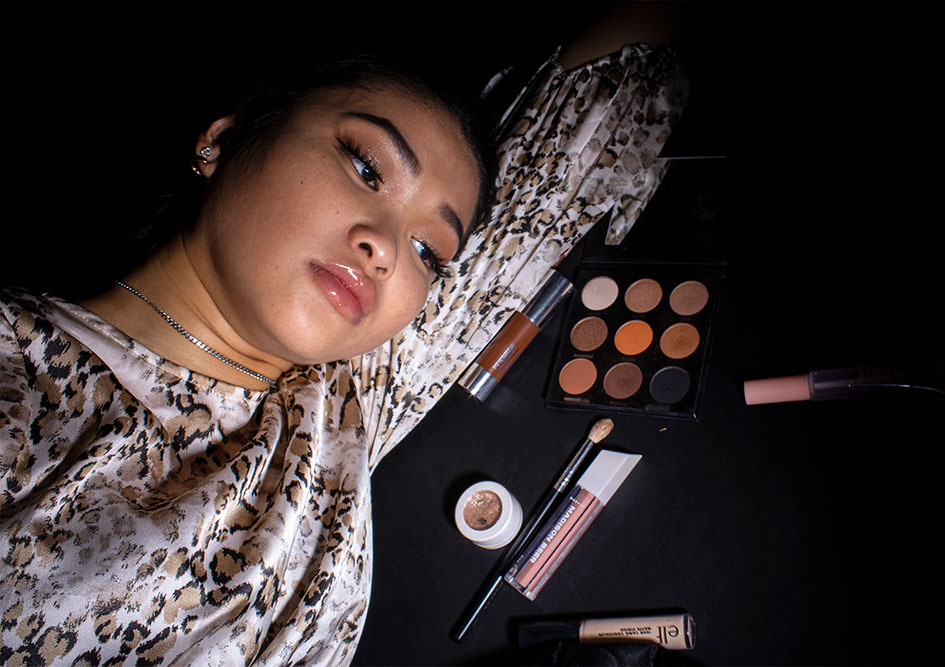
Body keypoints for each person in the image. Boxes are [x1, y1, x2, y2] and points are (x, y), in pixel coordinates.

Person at [0, 4, 689, 665]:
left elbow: (566, 148)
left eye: (429, 251)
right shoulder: (20, 377)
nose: (389, 249)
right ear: (223, 140)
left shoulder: (344, 394)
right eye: (366, 167)